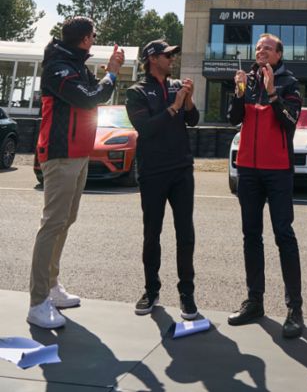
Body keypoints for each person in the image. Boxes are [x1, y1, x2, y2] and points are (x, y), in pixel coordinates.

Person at [28, 16, 125, 329]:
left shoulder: (74, 64)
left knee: (65, 221)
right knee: (52, 223)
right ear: (84, 39)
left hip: (78, 154)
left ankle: (52, 287)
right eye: (93, 35)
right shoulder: (59, 67)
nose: (94, 39)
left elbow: (94, 92)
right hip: (60, 155)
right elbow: (90, 97)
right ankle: (37, 301)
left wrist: (106, 75)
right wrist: (111, 72)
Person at [227, 33, 304, 339]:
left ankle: (294, 309)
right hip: (248, 170)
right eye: (258, 48)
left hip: (278, 172)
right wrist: (237, 92)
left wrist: (273, 93)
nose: (261, 51)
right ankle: (254, 301)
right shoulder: (248, 81)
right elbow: (234, 119)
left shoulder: (290, 83)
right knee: (250, 235)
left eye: (267, 48)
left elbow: (289, 122)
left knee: (284, 235)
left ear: (279, 54)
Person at [125, 39, 200, 320]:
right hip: (153, 172)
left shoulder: (176, 85)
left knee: (186, 234)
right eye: (167, 55)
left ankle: (187, 294)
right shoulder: (136, 91)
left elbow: (192, 120)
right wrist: (174, 106)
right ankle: (151, 289)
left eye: (172, 55)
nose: (172, 59)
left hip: (181, 169)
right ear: (152, 59)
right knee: (152, 233)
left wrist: (187, 101)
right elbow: (145, 128)